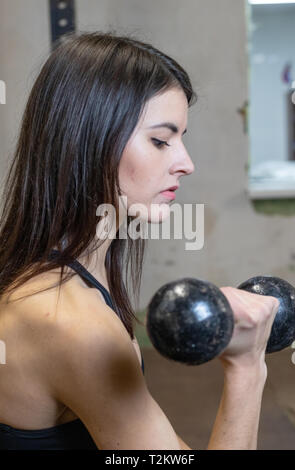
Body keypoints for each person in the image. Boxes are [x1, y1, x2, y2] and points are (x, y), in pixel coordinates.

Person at [0, 31, 279, 450]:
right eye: (160, 140)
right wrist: (246, 367)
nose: (186, 163)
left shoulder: (72, 273)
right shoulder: (67, 319)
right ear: (87, 142)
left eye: (180, 140)